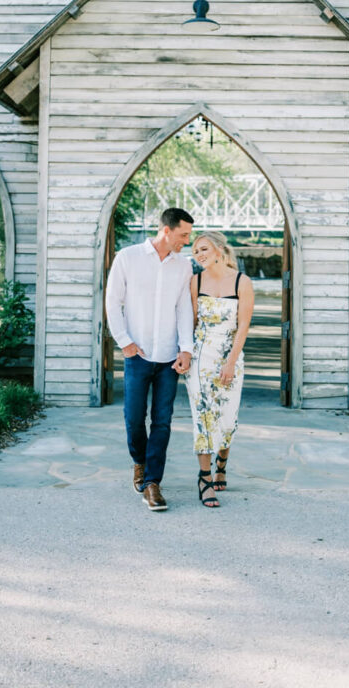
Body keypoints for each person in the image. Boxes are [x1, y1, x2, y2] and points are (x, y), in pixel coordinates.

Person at [105, 207, 194, 512]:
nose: (187, 241)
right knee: (133, 418)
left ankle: (152, 483)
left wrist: (186, 348)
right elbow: (112, 301)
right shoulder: (127, 258)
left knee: (163, 421)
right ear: (166, 230)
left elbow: (184, 308)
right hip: (138, 354)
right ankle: (139, 462)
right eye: (183, 234)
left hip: (169, 357)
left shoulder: (184, 266)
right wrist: (125, 342)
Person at [185, 231, 254, 508]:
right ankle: (205, 478)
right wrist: (186, 355)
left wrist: (230, 362)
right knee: (203, 416)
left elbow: (243, 326)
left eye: (203, 249)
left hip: (231, 356)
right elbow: (190, 322)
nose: (199, 255)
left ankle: (222, 464)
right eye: (195, 252)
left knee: (226, 416)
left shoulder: (242, 282)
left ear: (218, 250)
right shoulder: (195, 281)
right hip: (201, 358)